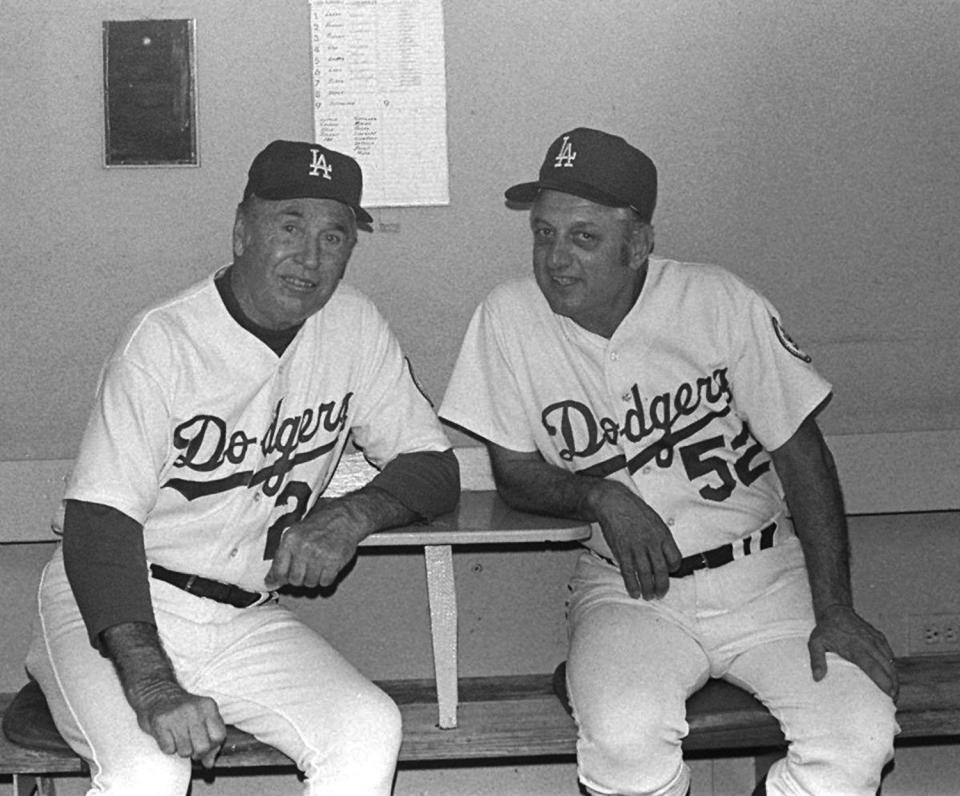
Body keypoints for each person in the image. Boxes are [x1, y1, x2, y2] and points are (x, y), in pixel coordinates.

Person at [439, 127, 898, 796]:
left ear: (639, 243)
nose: (556, 259)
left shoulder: (718, 302)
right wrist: (600, 495)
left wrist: (836, 608)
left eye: (584, 237)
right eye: (544, 234)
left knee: (858, 737)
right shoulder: (507, 317)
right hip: (630, 592)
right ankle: (600, 671)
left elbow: (803, 457)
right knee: (623, 741)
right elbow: (512, 469)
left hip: (765, 577)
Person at [26, 139, 460, 796]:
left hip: (243, 618)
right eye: (289, 227)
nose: (310, 257)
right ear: (241, 230)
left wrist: (350, 514)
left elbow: (432, 463)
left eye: (333, 236)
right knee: (149, 770)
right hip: (119, 608)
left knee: (367, 727)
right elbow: (99, 526)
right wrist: (152, 685)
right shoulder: (164, 340)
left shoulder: (354, 327)